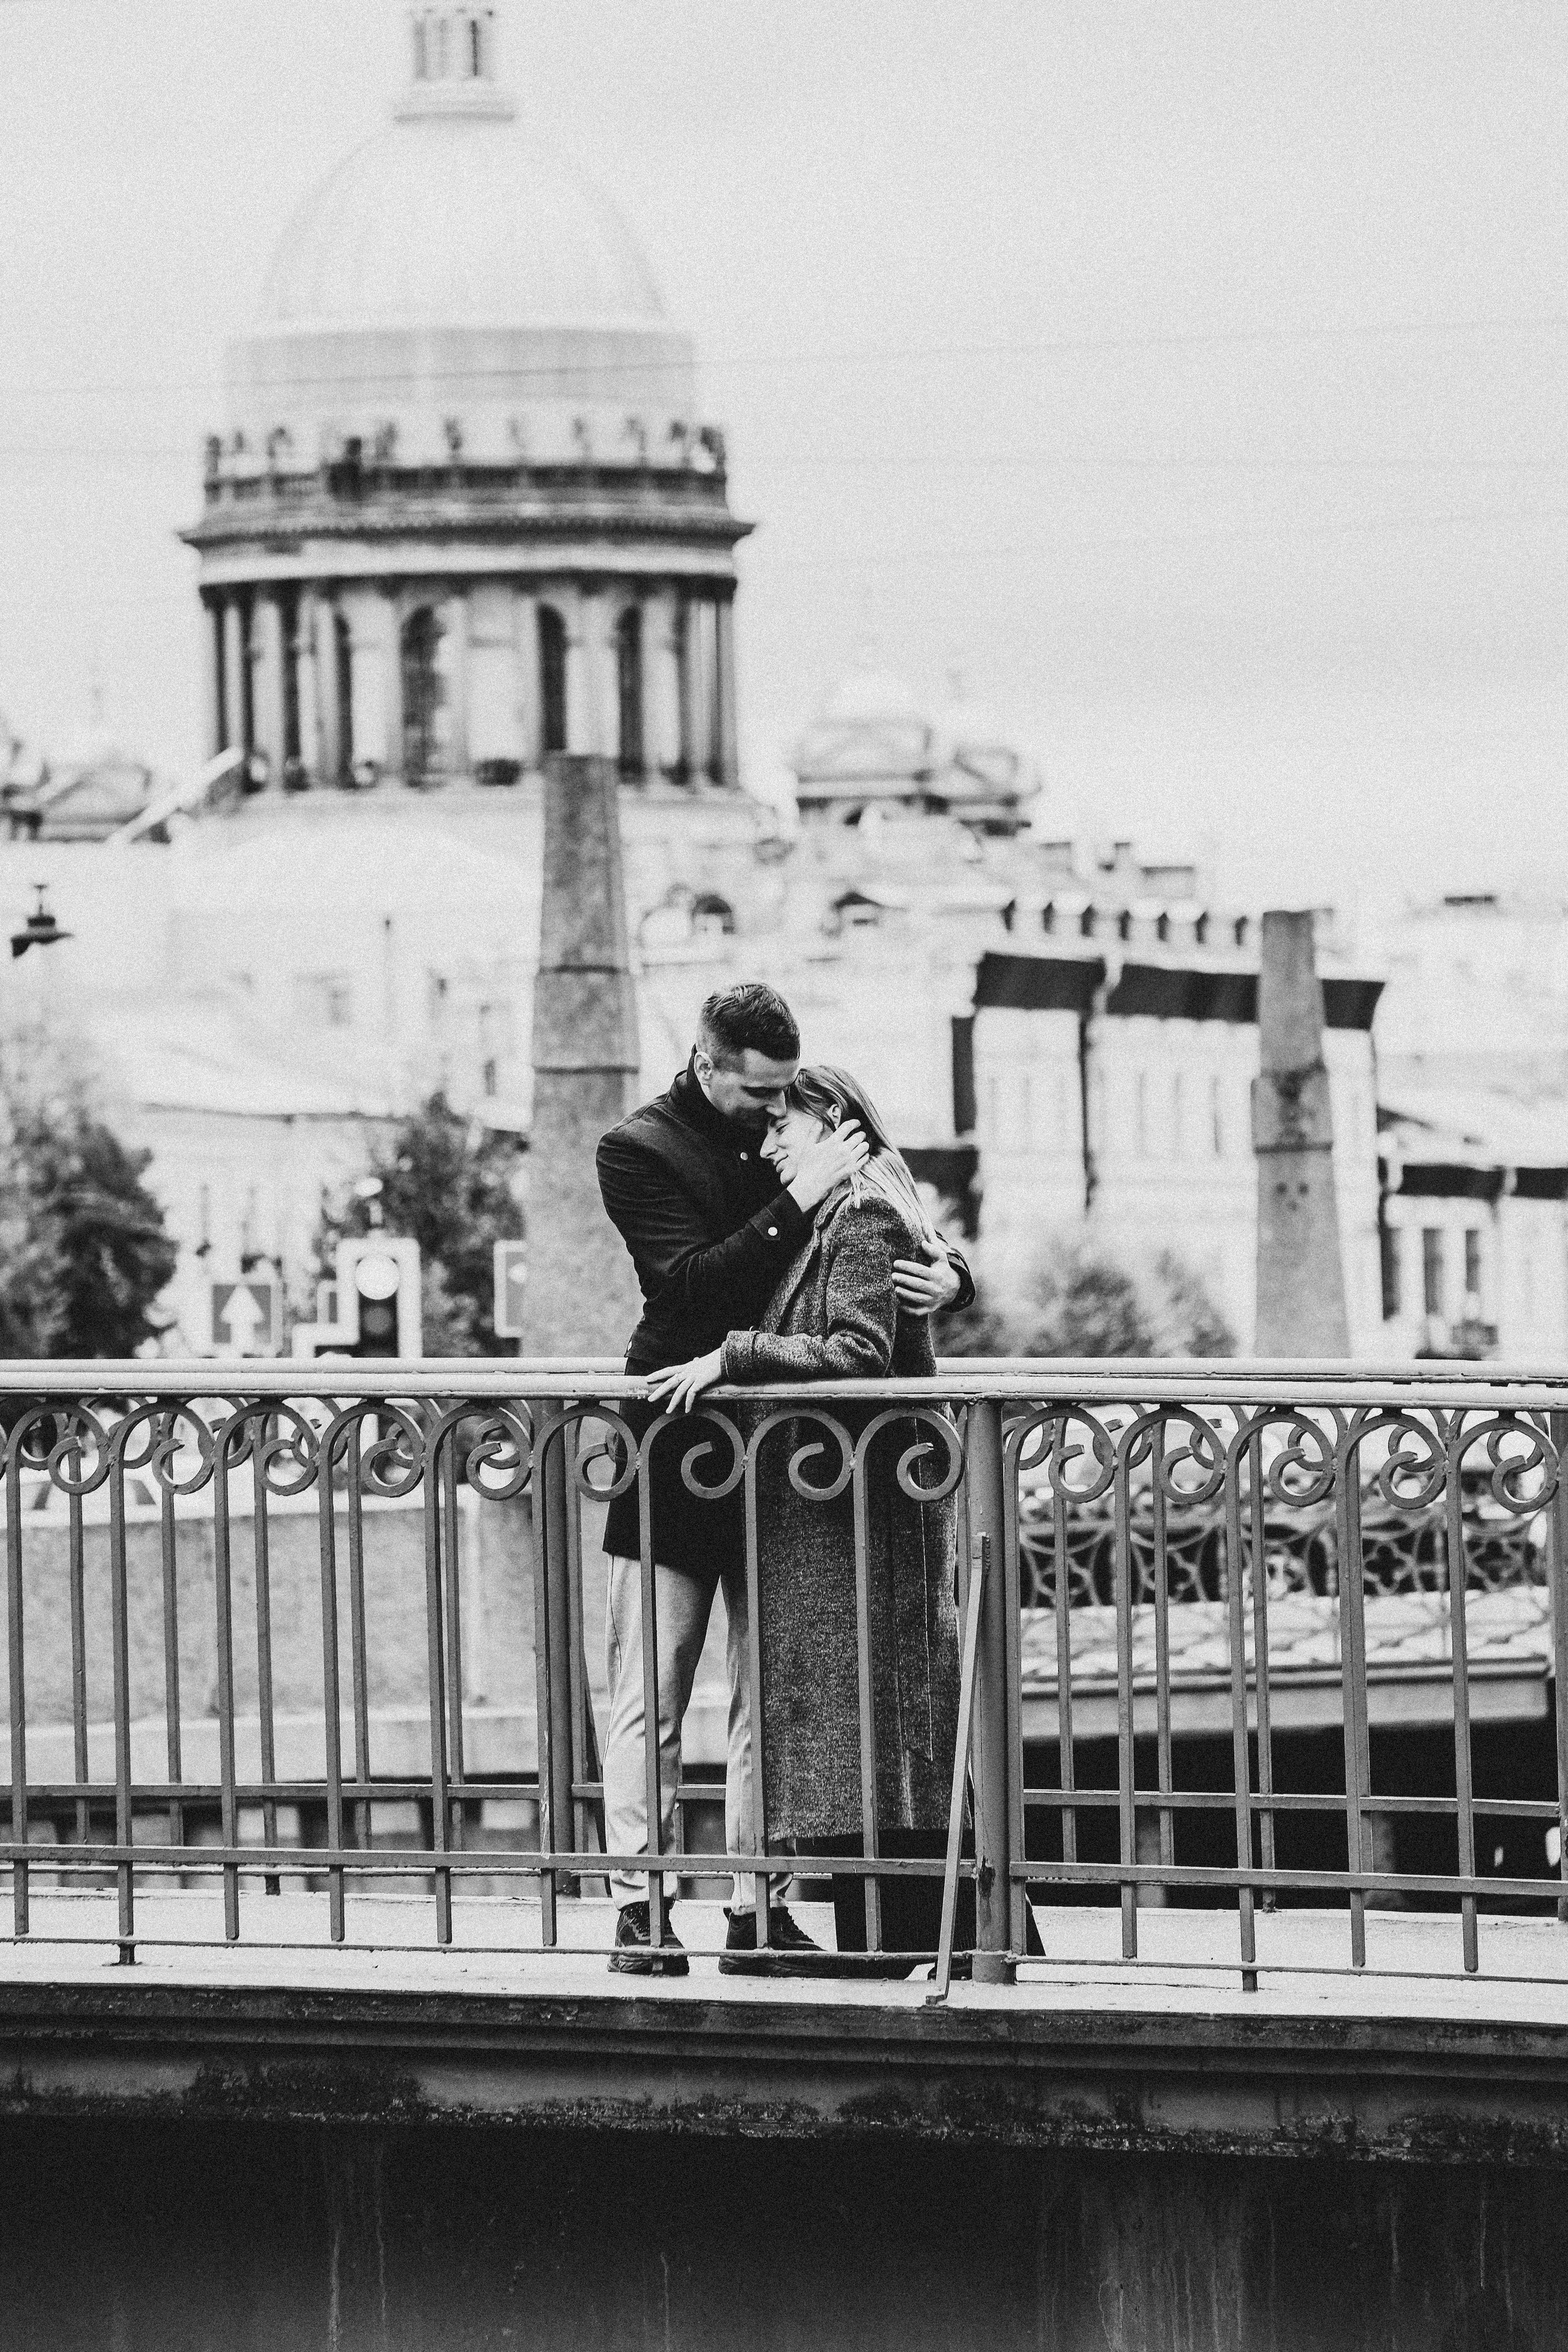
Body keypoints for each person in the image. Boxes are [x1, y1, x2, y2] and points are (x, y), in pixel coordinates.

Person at [595, 986, 973, 1973]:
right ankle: (640, 1908)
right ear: (706, 1062)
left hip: (785, 1465)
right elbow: (688, 1286)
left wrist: (955, 1274)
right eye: (757, 1094)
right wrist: (798, 1198)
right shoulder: (638, 1149)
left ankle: (755, 1908)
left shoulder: (799, 1134)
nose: (771, 1115)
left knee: (774, 1698)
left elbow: (881, 1215)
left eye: (782, 1100)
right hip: (678, 1439)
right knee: (655, 1690)